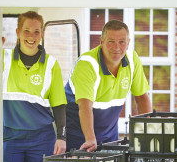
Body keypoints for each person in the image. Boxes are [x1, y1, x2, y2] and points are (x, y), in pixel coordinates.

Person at [2, 11, 67, 162]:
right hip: (9, 137)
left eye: (36, 31)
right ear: (18, 32)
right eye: (27, 31)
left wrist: (61, 137)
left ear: (42, 34)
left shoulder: (51, 64)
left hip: (42, 137)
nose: (32, 36)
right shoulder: (2, 60)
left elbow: (59, 104)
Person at [65, 20, 152, 152]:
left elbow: (142, 98)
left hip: (110, 136)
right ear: (101, 42)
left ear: (128, 43)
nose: (117, 47)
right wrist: (90, 139)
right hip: (79, 137)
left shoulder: (132, 60)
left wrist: (149, 132)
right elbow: (84, 106)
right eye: (111, 41)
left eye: (122, 42)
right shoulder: (87, 64)